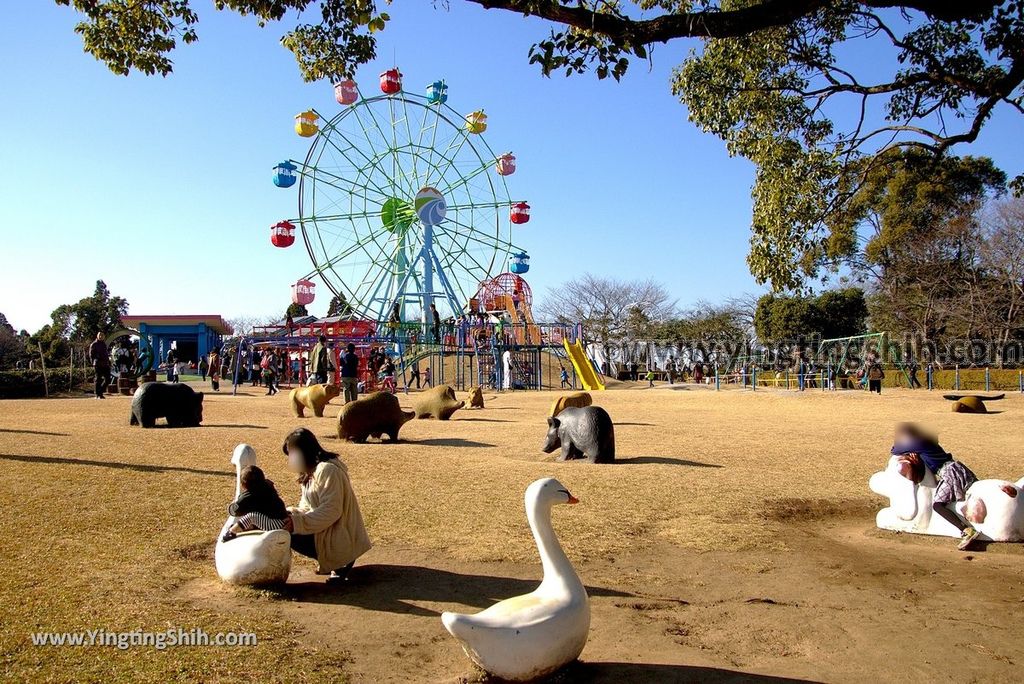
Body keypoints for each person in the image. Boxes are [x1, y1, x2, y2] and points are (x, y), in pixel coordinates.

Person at [281, 428, 372, 584]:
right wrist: (290, 514)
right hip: (327, 530)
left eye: (292, 452)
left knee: (290, 532)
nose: (291, 458)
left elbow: (332, 510)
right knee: (282, 524)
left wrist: (297, 523)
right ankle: (332, 560)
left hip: (340, 535)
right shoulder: (310, 472)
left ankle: (341, 562)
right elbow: (307, 505)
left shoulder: (327, 470)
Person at [890, 423, 980, 550]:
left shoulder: (917, 444)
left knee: (937, 505)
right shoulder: (923, 442)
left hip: (949, 472)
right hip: (955, 468)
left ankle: (966, 530)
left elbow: (895, 450)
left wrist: (899, 443)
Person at [221, 465, 289, 542]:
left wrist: (232, 506)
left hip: (276, 525)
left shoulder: (248, 496)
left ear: (244, 485)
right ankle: (251, 527)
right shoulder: (268, 486)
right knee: (260, 514)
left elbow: (235, 511)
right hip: (284, 520)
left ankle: (231, 532)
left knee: (251, 516)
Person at [88, 332, 110, 399]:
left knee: (108, 379)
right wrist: (94, 362)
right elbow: (91, 355)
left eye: (102, 335)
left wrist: (108, 361)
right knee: (98, 379)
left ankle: (100, 391)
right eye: (100, 335)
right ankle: (98, 394)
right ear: (97, 336)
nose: (101, 336)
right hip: (97, 364)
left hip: (105, 364)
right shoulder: (94, 344)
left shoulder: (104, 344)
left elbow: (106, 354)